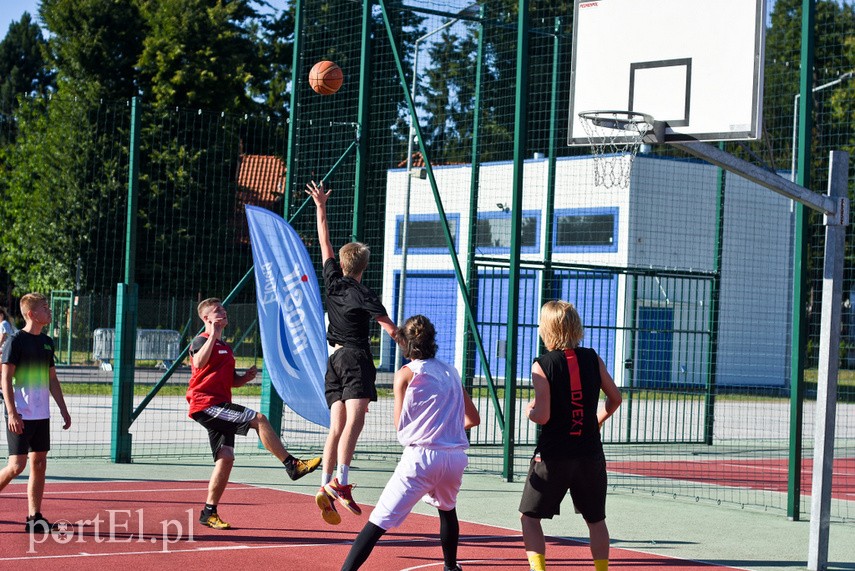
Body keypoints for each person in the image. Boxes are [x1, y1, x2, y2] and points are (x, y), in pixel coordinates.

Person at [340, 315, 480, 571]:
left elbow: (400, 424)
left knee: (378, 520)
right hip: (454, 457)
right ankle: (451, 567)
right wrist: (444, 429)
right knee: (447, 510)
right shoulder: (451, 371)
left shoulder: (406, 374)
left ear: (405, 343)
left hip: (421, 458)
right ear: (432, 341)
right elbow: (474, 418)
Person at [306, 179, 402, 525]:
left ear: (344, 264)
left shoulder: (331, 279)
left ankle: (323, 484)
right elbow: (391, 330)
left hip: (331, 359)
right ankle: (341, 483)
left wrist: (321, 205)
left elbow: (324, 240)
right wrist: (418, 350)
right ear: (363, 266)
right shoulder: (365, 295)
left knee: (336, 426)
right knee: (355, 421)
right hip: (355, 357)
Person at [187, 297, 321, 530]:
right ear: (206, 318)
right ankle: (292, 464)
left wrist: (244, 378)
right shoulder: (201, 340)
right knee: (259, 419)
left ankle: (209, 512)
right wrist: (214, 333)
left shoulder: (226, 347)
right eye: (217, 310)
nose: (223, 311)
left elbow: (229, 381)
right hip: (206, 404)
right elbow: (198, 363)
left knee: (226, 458)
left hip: (219, 403)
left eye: (224, 308)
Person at [519, 300, 622, 571]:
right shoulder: (592, 358)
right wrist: (597, 420)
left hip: (554, 455)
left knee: (529, 517)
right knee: (596, 520)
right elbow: (615, 398)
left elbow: (542, 416)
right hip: (589, 453)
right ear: (576, 327)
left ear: (546, 329)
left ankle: (538, 569)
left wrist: (529, 410)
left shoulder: (542, 365)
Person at [0, 293, 72, 532]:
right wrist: (12, 412)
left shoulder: (47, 342)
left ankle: (34, 517)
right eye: (45, 308)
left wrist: (63, 409)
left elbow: (52, 378)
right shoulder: (15, 341)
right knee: (16, 467)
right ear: (31, 314)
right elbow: (5, 379)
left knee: (39, 463)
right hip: (20, 414)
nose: (49, 311)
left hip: (41, 415)